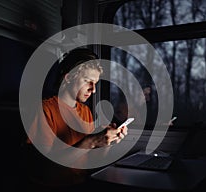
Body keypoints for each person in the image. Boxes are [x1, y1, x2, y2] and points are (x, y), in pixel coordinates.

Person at [23, 48, 128, 191]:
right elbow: (45, 168)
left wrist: (107, 142)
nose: (94, 90)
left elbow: (91, 160)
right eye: (88, 81)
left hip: (81, 182)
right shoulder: (45, 110)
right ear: (69, 78)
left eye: (95, 83)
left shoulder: (85, 111)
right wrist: (91, 141)